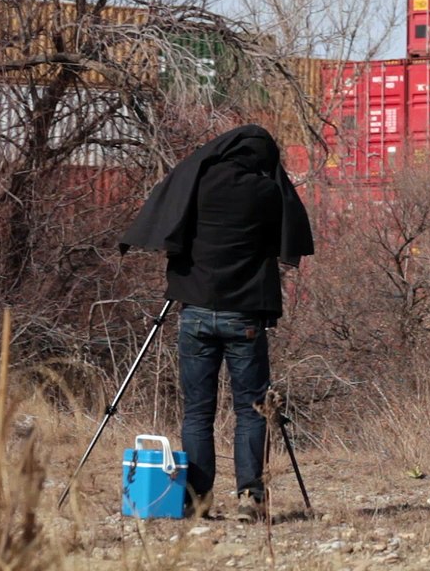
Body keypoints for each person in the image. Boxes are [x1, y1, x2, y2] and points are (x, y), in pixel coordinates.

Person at [119, 125, 314, 521]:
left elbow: (173, 227)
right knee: (252, 409)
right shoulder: (266, 192)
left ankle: (196, 499)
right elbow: (283, 240)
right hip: (243, 316)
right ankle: (249, 499)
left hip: (194, 311)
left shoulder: (196, 181)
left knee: (197, 412)